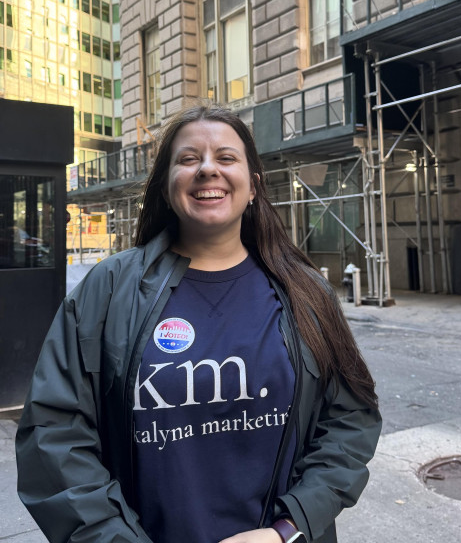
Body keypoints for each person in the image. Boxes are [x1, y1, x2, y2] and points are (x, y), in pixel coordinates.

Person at [16, 103, 382, 543]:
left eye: (226, 158)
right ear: (167, 189)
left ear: (253, 187)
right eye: (189, 159)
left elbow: (349, 422)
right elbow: (54, 437)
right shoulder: (108, 290)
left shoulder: (307, 293)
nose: (208, 169)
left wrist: (287, 530)